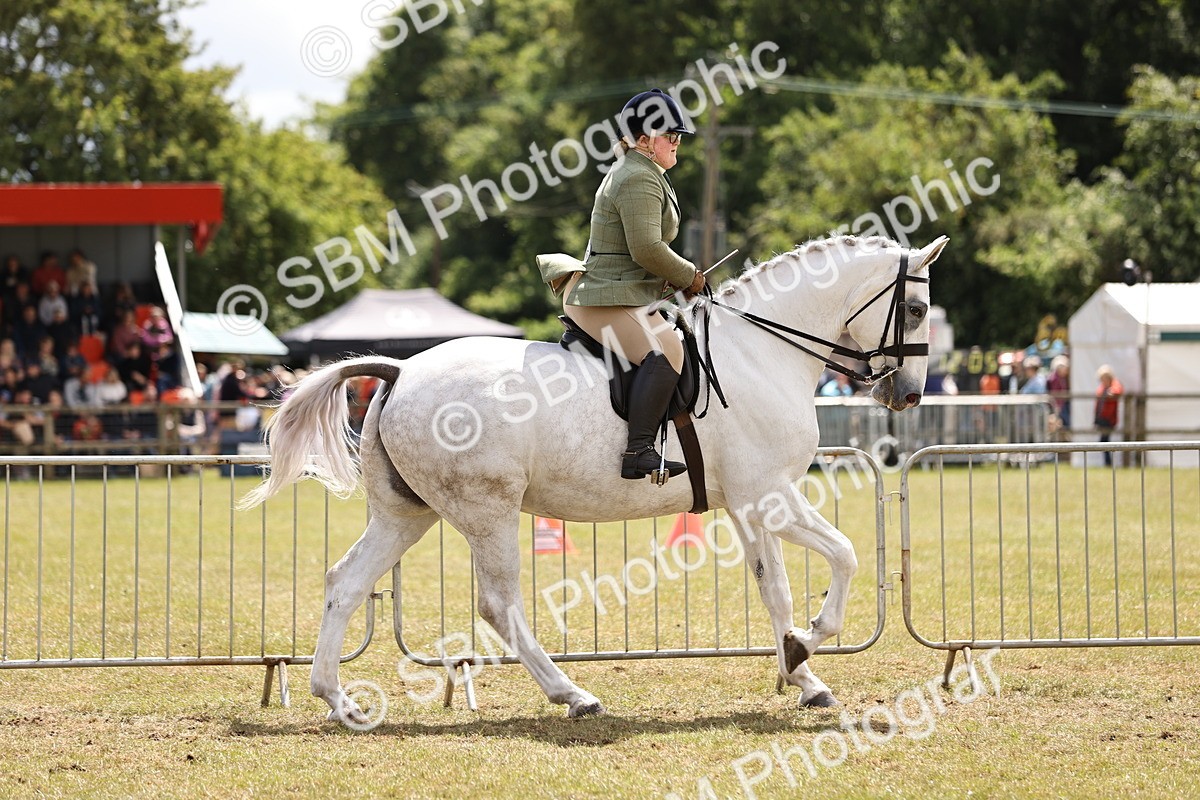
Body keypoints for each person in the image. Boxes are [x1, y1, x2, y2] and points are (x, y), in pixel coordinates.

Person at [546, 89, 704, 480]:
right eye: (671, 135)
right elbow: (647, 248)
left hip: (618, 290)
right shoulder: (637, 177)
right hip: (602, 296)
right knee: (667, 350)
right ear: (647, 139)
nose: (677, 142)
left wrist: (672, 277)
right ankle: (638, 451)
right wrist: (689, 274)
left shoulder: (641, 171)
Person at [1094, 364, 1123, 466]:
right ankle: (1107, 463)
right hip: (1101, 418)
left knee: (1104, 441)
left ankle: (1108, 463)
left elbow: (1117, 391)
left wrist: (1110, 393)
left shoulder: (1114, 384)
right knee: (1104, 441)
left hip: (1109, 418)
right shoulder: (1102, 387)